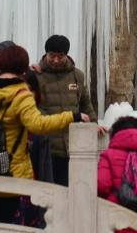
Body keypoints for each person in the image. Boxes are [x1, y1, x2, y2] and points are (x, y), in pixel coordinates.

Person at [0, 43, 87, 224]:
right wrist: (72, 116)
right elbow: (38, 125)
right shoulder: (21, 93)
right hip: (12, 174)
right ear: (22, 67)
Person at [35, 34, 95, 186]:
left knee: (70, 190)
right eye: (52, 56)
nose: (55, 60)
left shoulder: (77, 76)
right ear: (46, 54)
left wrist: (94, 126)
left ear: (66, 55)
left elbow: (85, 104)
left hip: (72, 147)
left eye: (60, 56)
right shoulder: (36, 76)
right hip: (46, 147)